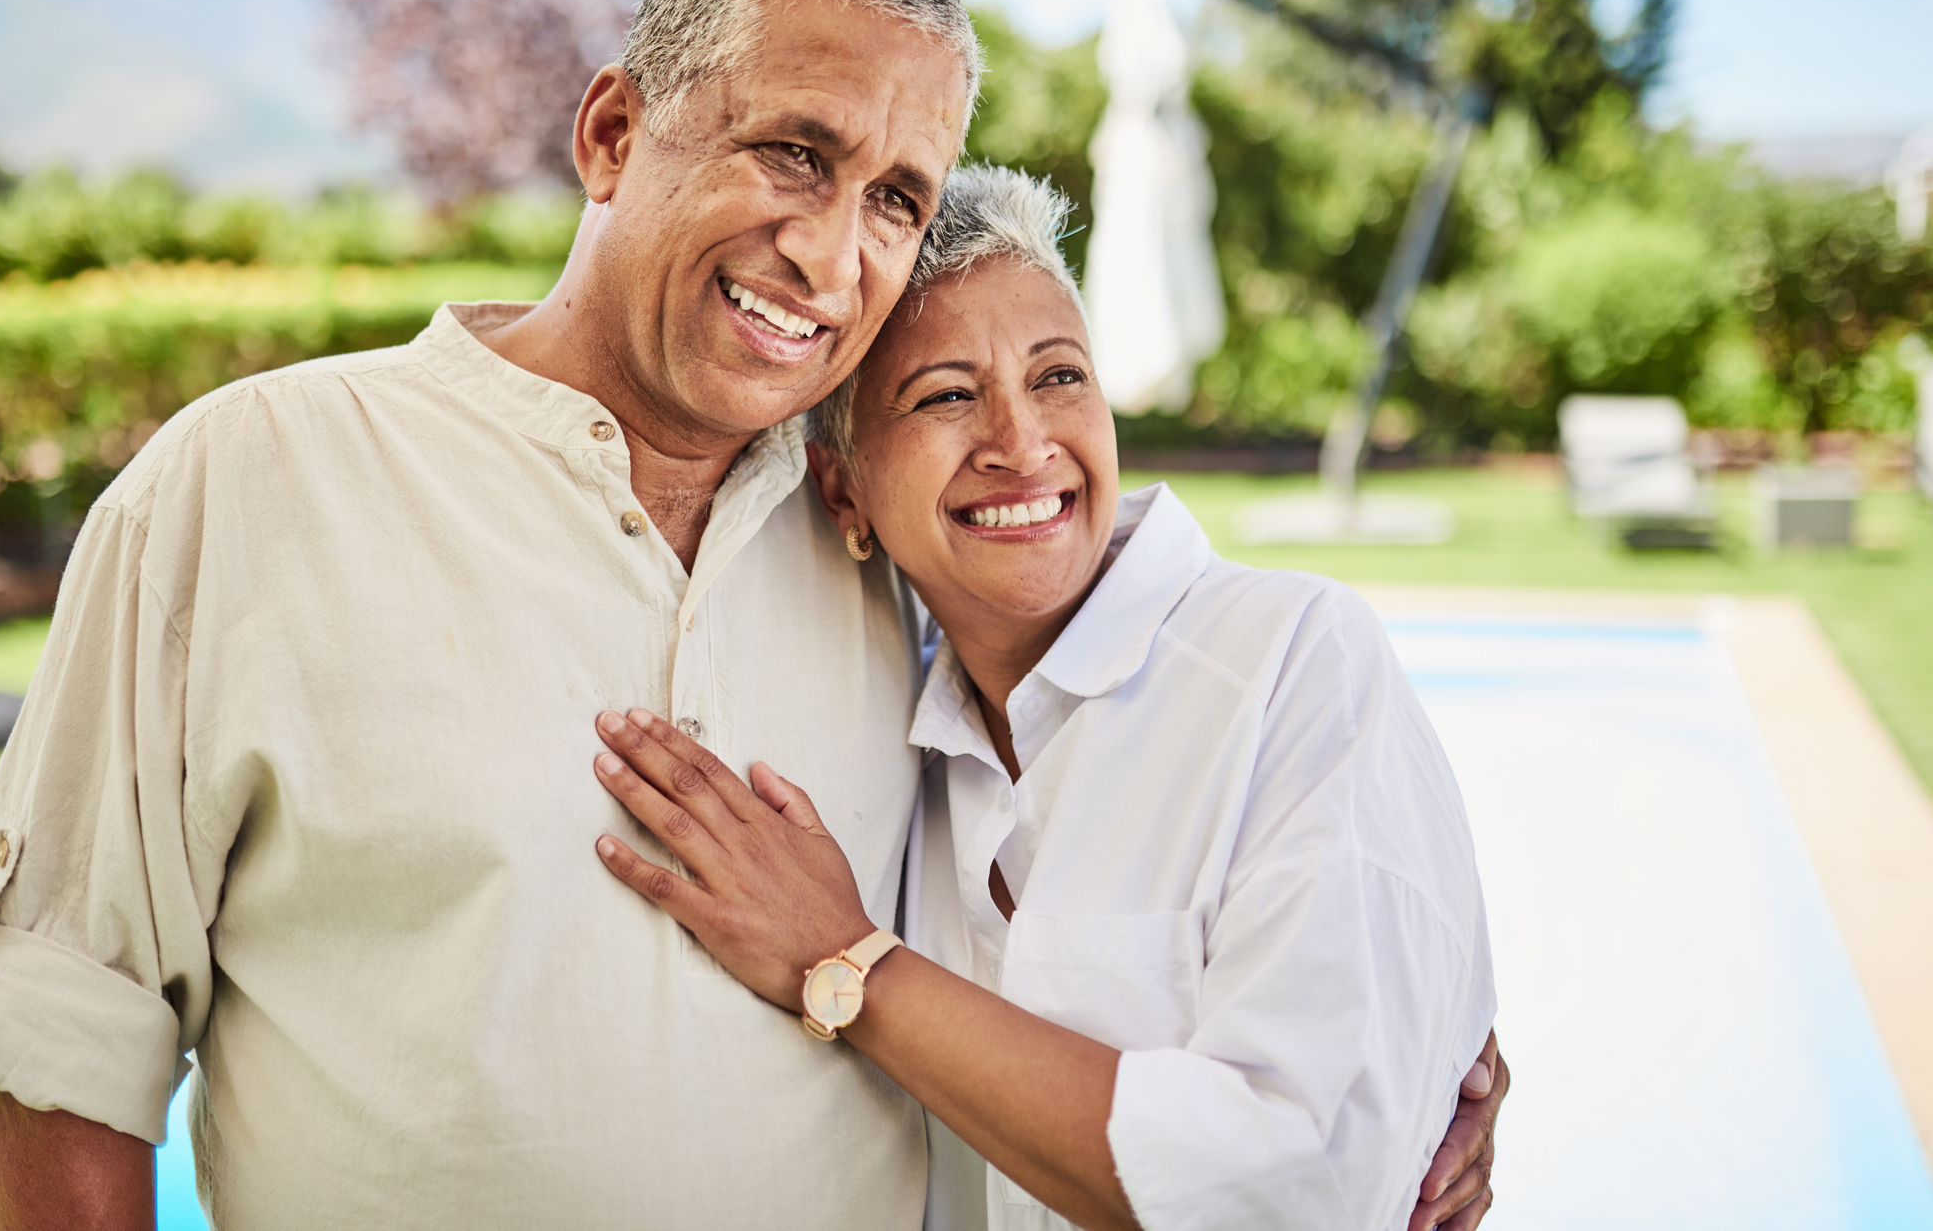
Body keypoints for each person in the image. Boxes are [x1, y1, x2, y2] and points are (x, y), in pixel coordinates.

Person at [0, 0, 1503, 1231]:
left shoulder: (881, 533)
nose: (832, 254)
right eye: (792, 152)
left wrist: (1414, 1041)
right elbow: (60, 1033)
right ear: (612, 132)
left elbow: (1131, 823)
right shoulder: (244, 486)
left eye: (894, 196)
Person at [588, 165, 1497, 1231]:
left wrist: (846, 965)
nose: (1022, 444)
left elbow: (1295, 1184)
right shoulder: (890, 726)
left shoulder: (1291, 660)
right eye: (944, 394)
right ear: (845, 492)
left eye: (1058, 376)